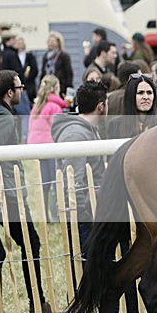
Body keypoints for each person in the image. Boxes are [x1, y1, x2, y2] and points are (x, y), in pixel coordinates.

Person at [0, 70, 53, 313]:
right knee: (29, 244)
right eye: (19, 87)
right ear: (9, 92)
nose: (22, 91)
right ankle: (35, 302)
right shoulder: (4, 119)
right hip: (8, 195)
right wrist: (4, 193)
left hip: (4, 193)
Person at [106, 73, 157, 313]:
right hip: (125, 198)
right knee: (126, 260)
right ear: (132, 97)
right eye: (141, 93)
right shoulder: (116, 126)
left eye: (149, 93)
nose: (145, 97)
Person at [50, 81, 108, 250]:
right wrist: (82, 215)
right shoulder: (76, 134)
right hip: (82, 215)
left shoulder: (88, 129)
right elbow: (73, 179)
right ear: (100, 106)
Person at [27, 75, 68, 221]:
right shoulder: (54, 107)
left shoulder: (38, 105)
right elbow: (58, 129)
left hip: (37, 147)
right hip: (50, 147)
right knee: (55, 181)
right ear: (56, 88)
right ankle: (56, 215)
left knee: (44, 183)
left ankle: (44, 215)